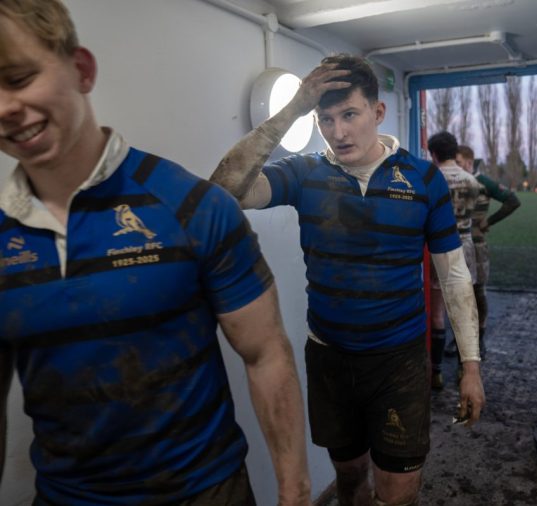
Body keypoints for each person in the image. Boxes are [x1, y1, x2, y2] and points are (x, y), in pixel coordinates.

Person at [0, 1, 310, 504]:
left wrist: (295, 491)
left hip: (205, 491)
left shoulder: (192, 207)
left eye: (18, 77)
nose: (4, 107)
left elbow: (266, 352)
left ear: (81, 70)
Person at [210, 54, 485, 506]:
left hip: (400, 361)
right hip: (331, 360)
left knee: (397, 494)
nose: (338, 132)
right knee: (351, 480)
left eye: (350, 115)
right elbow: (224, 191)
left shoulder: (421, 178)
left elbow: (453, 276)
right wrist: (293, 108)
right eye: (326, 119)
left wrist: (471, 367)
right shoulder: (305, 173)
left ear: (377, 113)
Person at [446, 145, 521, 360]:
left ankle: (479, 339)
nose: (456, 167)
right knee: (458, 293)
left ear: (469, 163)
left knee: (478, 291)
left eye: (459, 163)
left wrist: (489, 221)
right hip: (455, 244)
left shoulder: (484, 182)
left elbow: (513, 201)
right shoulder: (451, 181)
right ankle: (459, 339)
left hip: (477, 245)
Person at [426, 132, 481, 389]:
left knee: (437, 312)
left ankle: (435, 372)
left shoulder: (433, 179)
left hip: (440, 247)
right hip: (466, 246)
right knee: (463, 309)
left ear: (434, 154)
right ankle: (463, 369)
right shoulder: (471, 180)